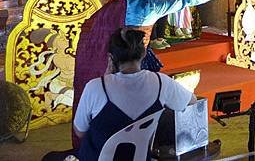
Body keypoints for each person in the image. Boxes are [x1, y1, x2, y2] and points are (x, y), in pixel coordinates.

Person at [72, 0, 240, 147]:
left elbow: (89, 30)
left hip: (116, 63)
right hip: (140, 64)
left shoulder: (112, 7)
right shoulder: (151, 7)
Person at [44, 29, 195, 161]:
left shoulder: (96, 87)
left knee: (49, 157)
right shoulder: (162, 83)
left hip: (96, 157)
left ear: (111, 58)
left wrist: (106, 77)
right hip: (139, 157)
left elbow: (80, 132)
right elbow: (192, 102)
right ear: (143, 53)